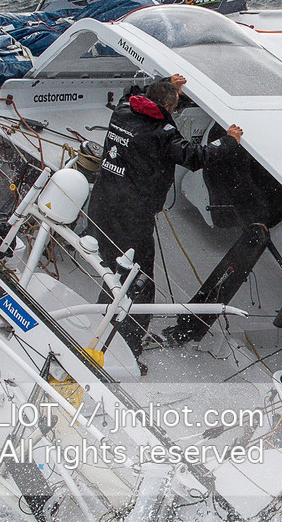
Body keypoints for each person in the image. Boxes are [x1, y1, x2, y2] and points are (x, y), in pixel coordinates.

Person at [83, 74, 243, 358]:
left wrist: (166, 82)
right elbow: (195, 156)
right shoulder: (162, 134)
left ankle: (98, 319)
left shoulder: (122, 109)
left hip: (101, 205)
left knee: (111, 267)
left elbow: (133, 90)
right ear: (168, 107)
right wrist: (228, 142)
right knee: (138, 282)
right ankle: (127, 347)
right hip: (132, 217)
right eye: (176, 103)